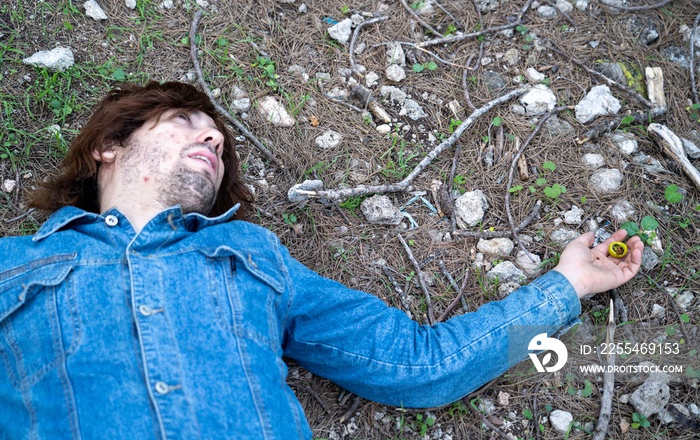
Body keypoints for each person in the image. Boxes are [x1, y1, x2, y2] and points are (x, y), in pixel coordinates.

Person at [0, 81, 643, 439]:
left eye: (217, 137)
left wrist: (568, 284)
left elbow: (417, 366)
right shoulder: (13, 266)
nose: (213, 136)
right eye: (183, 120)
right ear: (109, 147)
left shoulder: (254, 258)